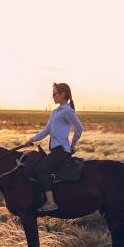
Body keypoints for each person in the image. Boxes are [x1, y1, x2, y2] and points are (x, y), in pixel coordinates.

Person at [24, 82, 84, 212]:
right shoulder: (55, 112)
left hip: (61, 150)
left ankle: (51, 202)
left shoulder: (68, 111)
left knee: (40, 170)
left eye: (55, 94)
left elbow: (79, 128)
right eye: (52, 94)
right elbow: (46, 130)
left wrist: (73, 145)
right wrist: (32, 140)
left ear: (63, 94)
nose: (53, 96)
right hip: (55, 150)